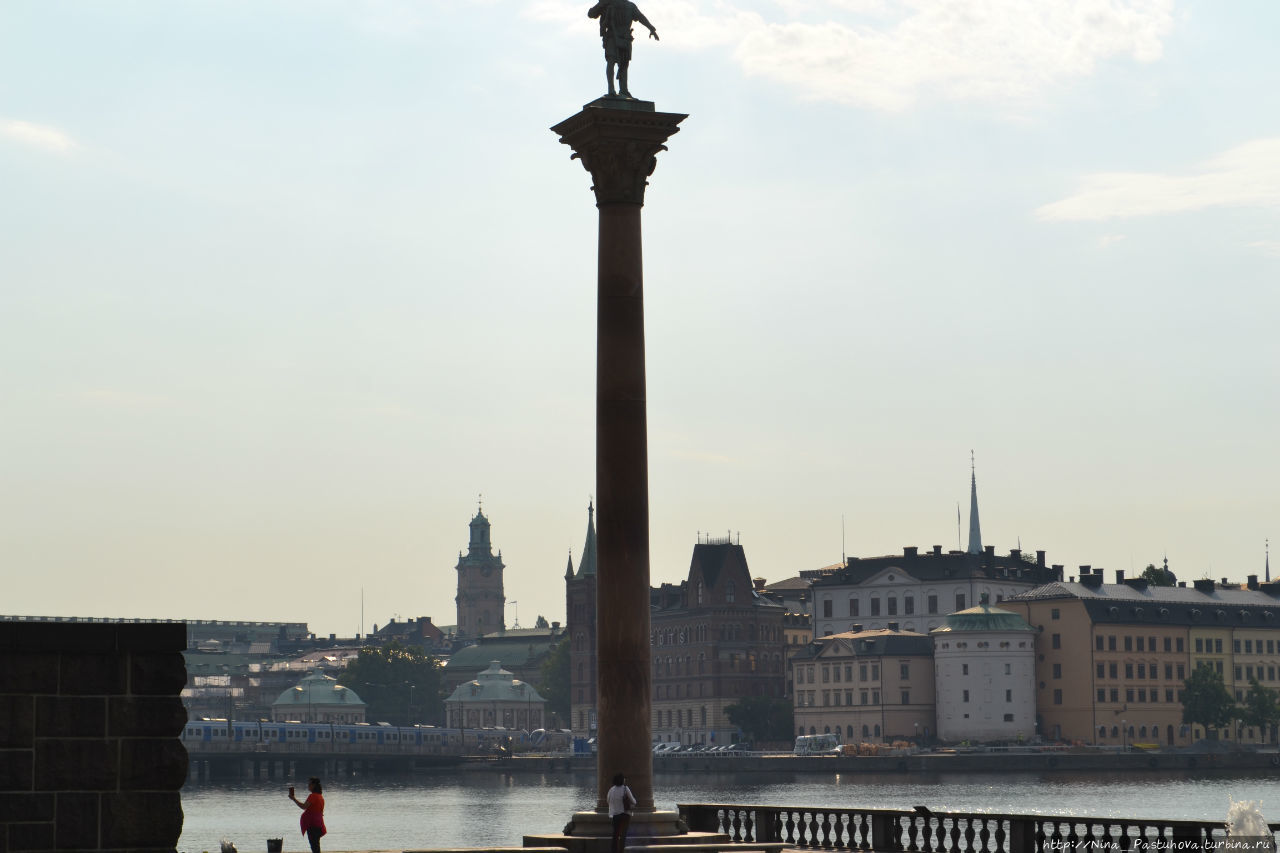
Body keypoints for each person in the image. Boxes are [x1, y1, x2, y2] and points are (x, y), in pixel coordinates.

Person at [586, 0, 658, 98]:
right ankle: (611, 89)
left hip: (625, 38)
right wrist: (602, 3)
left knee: (624, 64)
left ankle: (623, 90)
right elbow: (591, 14)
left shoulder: (630, 6)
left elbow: (641, 17)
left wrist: (651, 28)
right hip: (613, 36)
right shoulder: (608, 3)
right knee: (611, 61)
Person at [288, 777, 326, 853]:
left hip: (313, 824)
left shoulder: (313, 796)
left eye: (309, 784)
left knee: (314, 846)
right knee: (316, 845)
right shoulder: (320, 797)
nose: (308, 785)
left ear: (314, 785)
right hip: (318, 824)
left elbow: (303, 806)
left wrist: (294, 799)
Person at [606, 773, 636, 853]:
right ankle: (621, 850)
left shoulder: (611, 790)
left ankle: (614, 850)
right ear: (622, 780)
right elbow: (634, 801)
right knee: (623, 835)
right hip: (625, 815)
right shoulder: (625, 789)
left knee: (615, 835)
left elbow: (608, 801)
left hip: (615, 815)